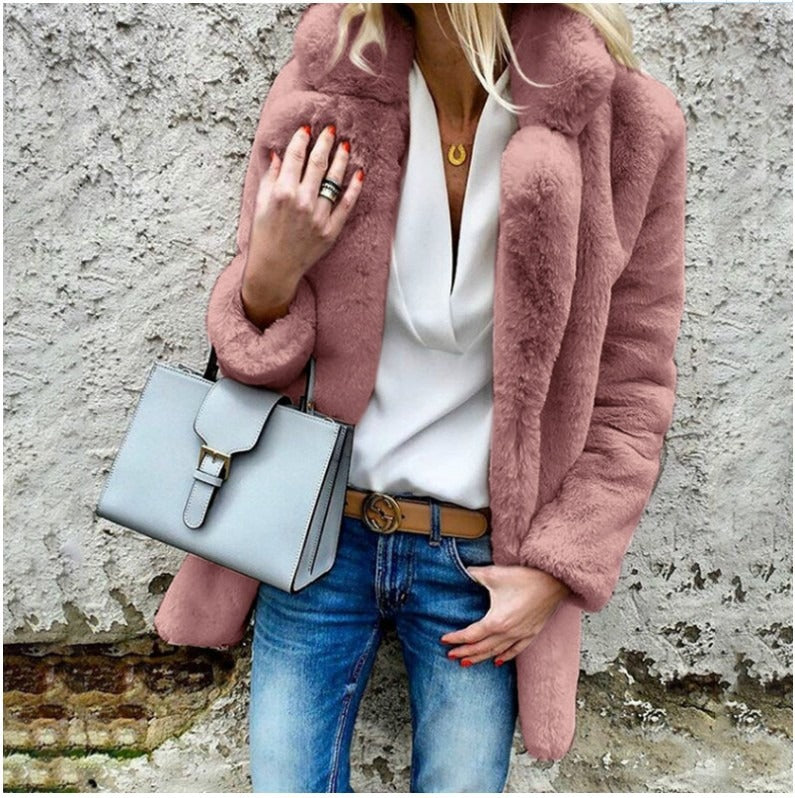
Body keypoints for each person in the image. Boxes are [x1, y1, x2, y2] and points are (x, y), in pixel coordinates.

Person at [154, 2, 687, 792]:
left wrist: (558, 567)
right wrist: (268, 272)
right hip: (315, 541)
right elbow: (252, 354)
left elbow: (632, 389)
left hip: (480, 569)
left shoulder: (626, 123)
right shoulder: (326, 85)